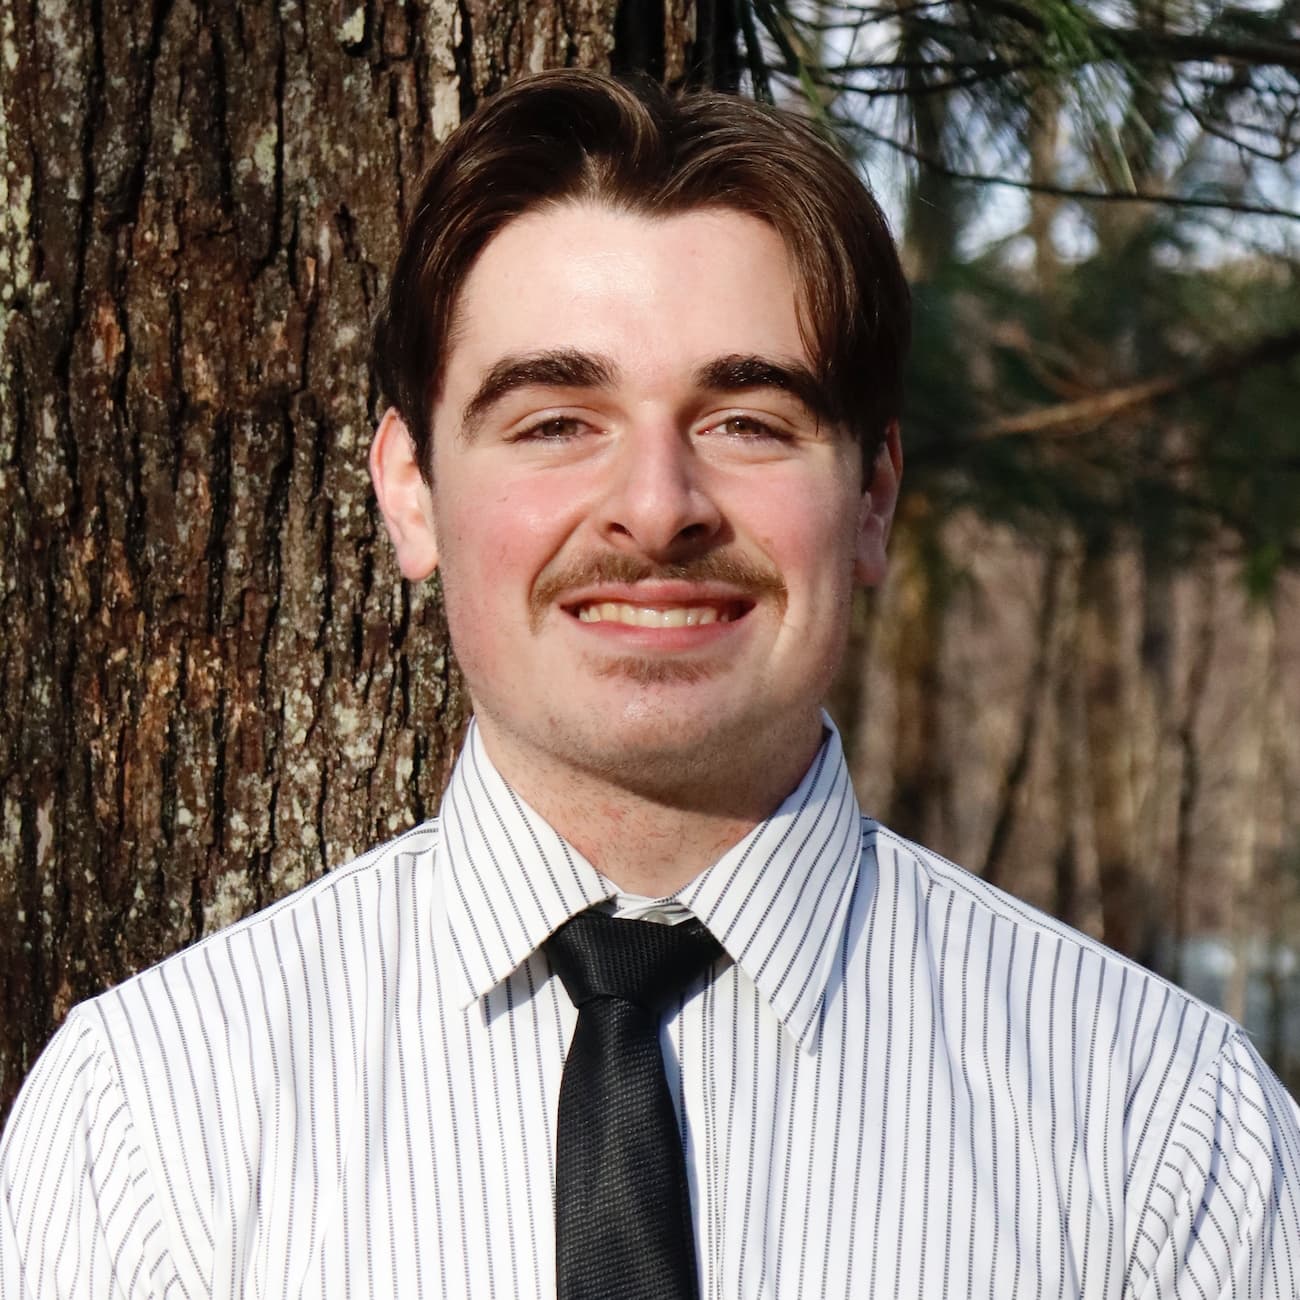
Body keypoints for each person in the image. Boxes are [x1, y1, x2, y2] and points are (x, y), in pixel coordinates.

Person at [2, 69, 1298, 1300]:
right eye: (557, 422)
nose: (659, 507)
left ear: (871, 498)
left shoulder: (1162, 1131)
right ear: (412, 493)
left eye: (747, 423)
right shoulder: (149, 1127)